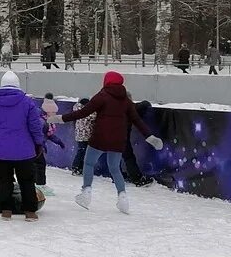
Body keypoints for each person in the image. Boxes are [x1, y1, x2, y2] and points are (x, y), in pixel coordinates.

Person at [60, 71, 163, 213]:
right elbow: (137, 120)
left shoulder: (101, 96)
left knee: (89, 163)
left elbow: (83, 113)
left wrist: (60, 118)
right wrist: (149, 136)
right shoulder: (126, 100)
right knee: (115, 169)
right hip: (118, 140)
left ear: (106, 81)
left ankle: (86, 193)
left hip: (100, 138)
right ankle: (123, 198)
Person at [0, 70, 45, 220]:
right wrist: (38, 143)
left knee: (4, 180)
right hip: (24, 150)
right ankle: (30, 211)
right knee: (27, 180)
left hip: (0, 149)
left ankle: (6, 210)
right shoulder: (27, 102)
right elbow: (35, 125)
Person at [70, 97, 93, 176]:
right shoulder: (86, 112)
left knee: (81, 151)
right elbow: (93, 116)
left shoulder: (77, 110)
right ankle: (76, 167)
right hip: (86, 135)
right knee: (82, 152)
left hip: (79, 135)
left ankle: (78, 168)